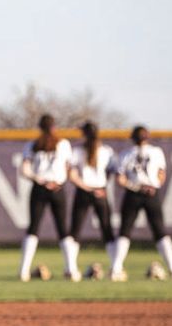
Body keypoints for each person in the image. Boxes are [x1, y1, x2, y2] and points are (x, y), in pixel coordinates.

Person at [109, 125, 172, 282]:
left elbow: (120, 179)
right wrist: (153, 186)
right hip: (151, 193)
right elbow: (161, 175)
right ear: (147, 137)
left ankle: (116, 269)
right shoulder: (156, 152)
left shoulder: (126, 154)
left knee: (124, 232)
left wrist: (135, 187)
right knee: (160, 231)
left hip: (133, 194)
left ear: (133, 138)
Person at [17, 114, 72, 281]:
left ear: (40, 128)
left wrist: (40, 179)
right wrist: (55, 181)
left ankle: (24, 271)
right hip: (57, 188)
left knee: (33, 229)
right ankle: (71, 269)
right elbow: (68, 169)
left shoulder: (33, 145)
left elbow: (24, 170)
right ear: (54, 127)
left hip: (39, 188)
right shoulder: (63, 144)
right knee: (63, 229)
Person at [62, 121, 116, 280]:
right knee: (108, 232)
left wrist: (85, 187)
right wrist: (101, 187)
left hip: (83, 192)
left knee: (75, 232)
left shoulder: (78, 151)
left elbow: (71, 174)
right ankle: (115, 268)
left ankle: (71, 269)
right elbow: (112, 172)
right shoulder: (107, 151)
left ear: (84, 134)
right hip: (100, 192)